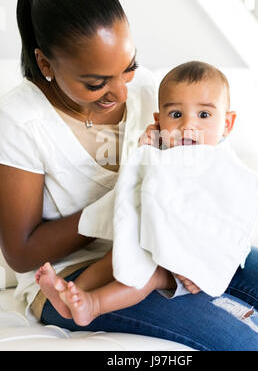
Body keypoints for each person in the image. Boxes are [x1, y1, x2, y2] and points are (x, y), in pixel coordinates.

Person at [0, 0, 258, 351]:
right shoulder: (19, 120)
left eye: (129, 66)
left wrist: (186, 236)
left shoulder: (148, 89)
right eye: (96, 83)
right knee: (254, 341)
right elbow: (22, 252)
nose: (122, 91)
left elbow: (197, 170)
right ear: (46, 64)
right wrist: (126, 205)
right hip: (74, 277)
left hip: (171, 240)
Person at [35, 61, 238, 326]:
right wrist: (147, 149)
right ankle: (69, 296)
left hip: (190, 264)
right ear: (158, 120)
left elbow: (230, 225)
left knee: (145, 273)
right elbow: (140, 183)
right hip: (151, 242)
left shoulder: (223, 168)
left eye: (204, 115)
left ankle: (93, 305)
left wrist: (198, 264)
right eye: (176, 115)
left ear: (227, 123)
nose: (188, 125)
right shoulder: (165, 155)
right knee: (118, 255)